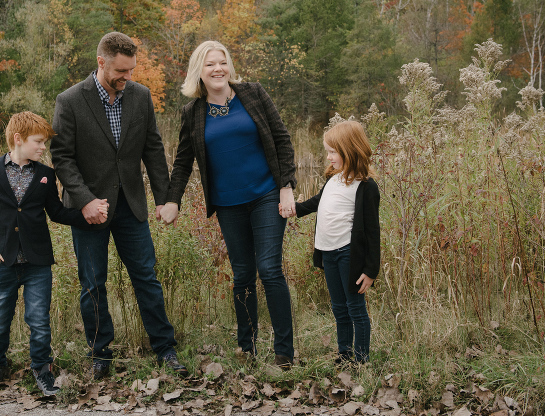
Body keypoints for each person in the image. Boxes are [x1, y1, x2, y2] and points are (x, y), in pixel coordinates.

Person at [50, 32, 188, 379]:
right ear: (102, 62)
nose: (127, 78)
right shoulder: (69, 100)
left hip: (130, 205)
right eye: (121, 71)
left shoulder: (140, 96)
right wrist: (84, 201)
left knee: (146, 277)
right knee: (93, 283)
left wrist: (166, 198)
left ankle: (165, 349)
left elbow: (153, 149)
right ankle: (101, 355)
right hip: (89, 209)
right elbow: (62, 158)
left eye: (131, 71)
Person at [160, 40, 297, 370]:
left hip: (266, 194)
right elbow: (182, 163)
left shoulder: (253, 94)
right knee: (242, 274)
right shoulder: (192, 113)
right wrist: (172, 200)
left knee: (269, 269)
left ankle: (283, 353)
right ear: (199, 73)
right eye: (210, 64)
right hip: (229, 204)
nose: (218, 68)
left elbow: (281, 139)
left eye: (222, 62)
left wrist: (287, 187)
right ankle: (247, 348)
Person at [0, 111, 108, 398]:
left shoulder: (46, 174)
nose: (43, 147)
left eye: (44, 143)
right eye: (38, 142)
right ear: (18, 139)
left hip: (38, 263)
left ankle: (42, 369)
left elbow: (56, 212)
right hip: (4, 261)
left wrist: (87, 214)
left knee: (38, 319)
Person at [291, 120, 380, 364]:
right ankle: (344, 354)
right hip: (328, 253)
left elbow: (373, 232)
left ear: (349, 150)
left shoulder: (366, 187)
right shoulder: (333, 180)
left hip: (348, 255)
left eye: (332, 152)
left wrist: (370, 271)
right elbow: (317, 202)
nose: (328, 157)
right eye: (327, 151)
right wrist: (294, 210)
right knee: (339, 308)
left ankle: (361, 360)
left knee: (355, 308)